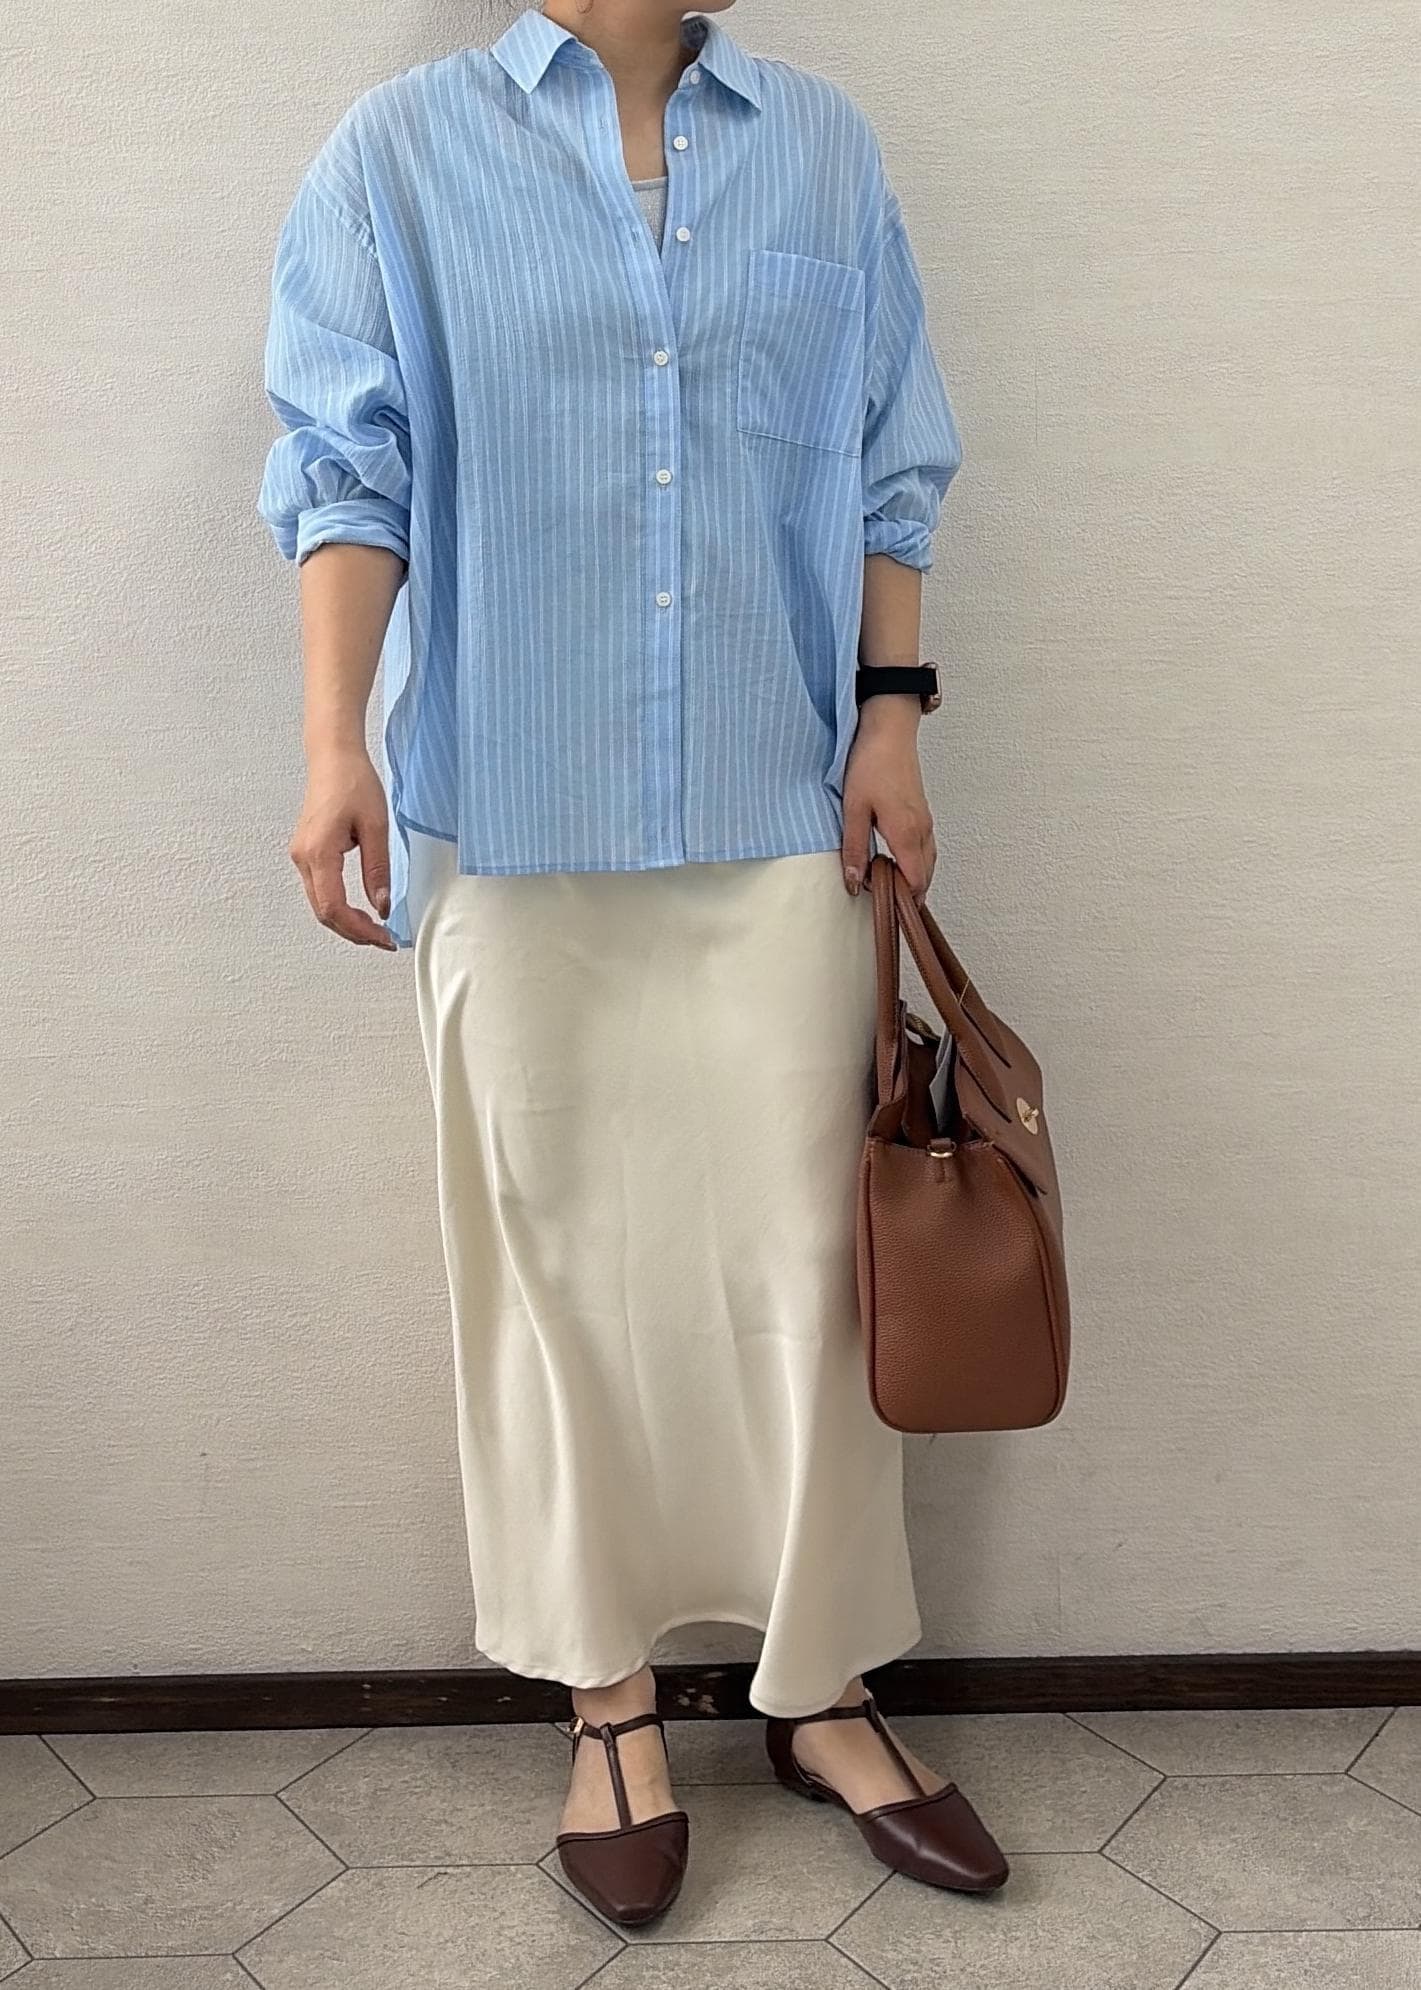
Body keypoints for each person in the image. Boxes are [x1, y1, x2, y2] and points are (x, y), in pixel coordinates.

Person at [258, 0, 1008, 1926]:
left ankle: (820, 1685)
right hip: (508, 810)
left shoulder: (822, 147)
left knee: (810, 1264)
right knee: (552, 1276)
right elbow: (347, 473)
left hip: (780, 801)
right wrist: (336, 744)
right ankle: (605, 1701)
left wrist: (893, 716)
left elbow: (886, 458)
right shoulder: (399, 156)